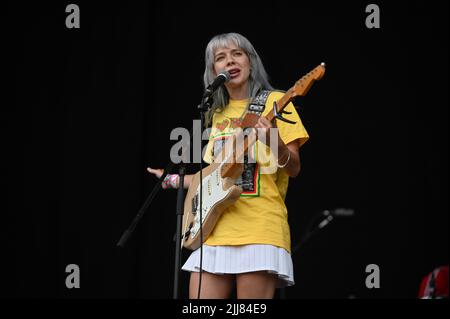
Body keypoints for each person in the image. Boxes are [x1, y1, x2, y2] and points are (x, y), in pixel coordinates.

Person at [147, 32, 309, 299]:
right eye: (220, 58)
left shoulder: (276, 103)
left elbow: (294, 168)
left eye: (237, 54)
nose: (229, 61)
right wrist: (171, 180)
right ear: (213, 71)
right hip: (214, 229)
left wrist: (275, 142)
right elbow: (214, 176)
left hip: (259, 228)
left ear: (250, 61)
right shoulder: (215, 113)